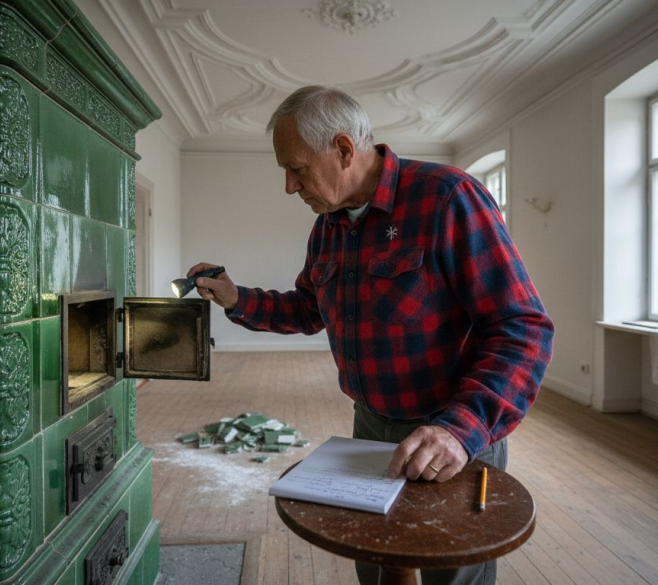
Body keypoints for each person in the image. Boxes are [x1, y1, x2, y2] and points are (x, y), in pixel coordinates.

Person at [186, 85, 554, 585]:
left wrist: (458, 430)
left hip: (450, 432)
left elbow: (522, 327)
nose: (290, 187)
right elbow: (308, 309)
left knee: (453, 573)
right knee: (376, 562)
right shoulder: (329, 226)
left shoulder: (447, 196)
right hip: (370, 425)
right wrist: (235, 298)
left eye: (296, 168)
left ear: (342, 149)